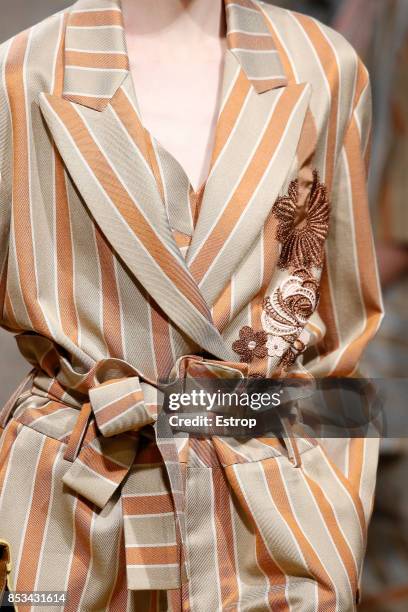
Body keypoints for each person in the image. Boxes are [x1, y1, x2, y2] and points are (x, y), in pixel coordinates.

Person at [0, 0, 383, 610]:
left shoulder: (323, 68)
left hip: (275, 527)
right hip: (72, 516)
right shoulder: (22, 78)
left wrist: (333, 513)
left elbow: (343, 339)